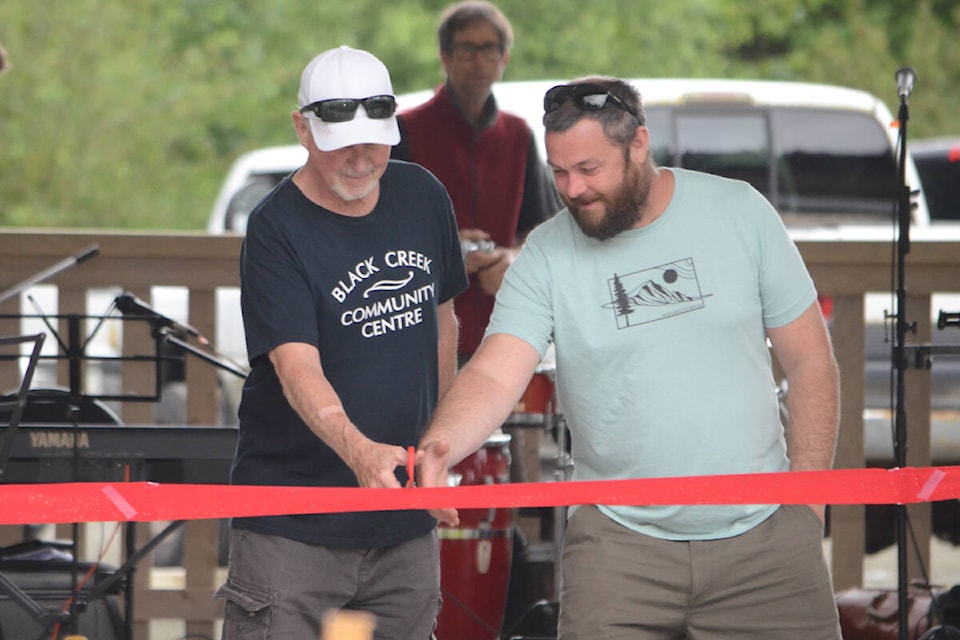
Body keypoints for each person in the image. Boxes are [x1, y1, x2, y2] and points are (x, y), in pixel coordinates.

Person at [418, 76, 843, 639]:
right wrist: (440, 445)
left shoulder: (739, 211)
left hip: (764, 541)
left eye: (589, 169)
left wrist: (805, 506)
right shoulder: (547, 250)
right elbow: (497, 371)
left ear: (638, 144)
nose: (573, 189)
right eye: (560, 172)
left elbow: (812, 361)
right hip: (618, 547)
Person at [216, 45, 468, 640]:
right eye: (341, 142)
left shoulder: (423, 195)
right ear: (303, 129)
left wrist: (437, 442)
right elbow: (295, 364)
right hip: (293, 523)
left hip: (403, 521)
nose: (360, 159)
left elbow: (444, 322)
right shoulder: (276, 226)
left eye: (375, 140)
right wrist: (359, 451)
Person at [391, 0, 559, 362]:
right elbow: (379, 228)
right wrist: (446, 249)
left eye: (489, 49)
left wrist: (513, 260)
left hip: (504, 328)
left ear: (505, 59)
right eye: (467, 49)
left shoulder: (518, 135)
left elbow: (543, 228)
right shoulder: (405, 131)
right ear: (445, 57)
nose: (479, 61)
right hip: (421, 332)